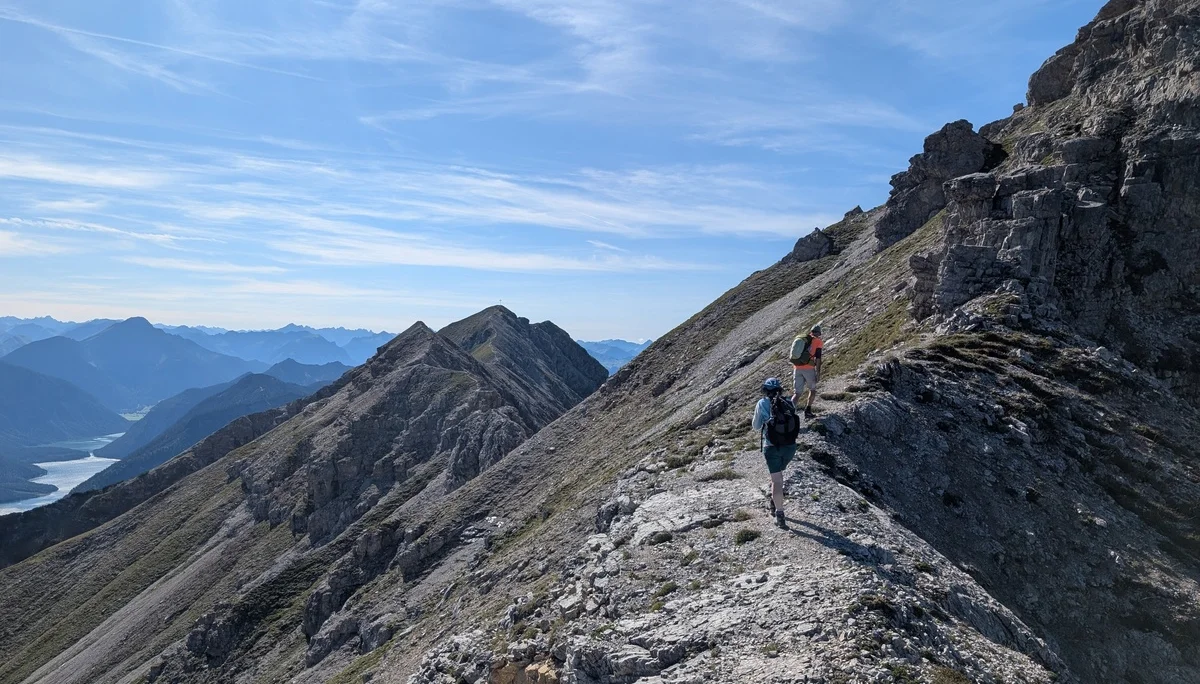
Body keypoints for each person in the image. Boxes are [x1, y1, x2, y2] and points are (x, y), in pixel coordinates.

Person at [752, 377, 800, 529]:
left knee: (776, 481)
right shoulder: (788, 402)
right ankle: (774, 501)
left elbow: (756, 426)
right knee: (779, 476)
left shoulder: (762, 403)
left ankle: (779, 514)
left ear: (765, 390)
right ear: (779, 389)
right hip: (790, 446)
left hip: (771, 447)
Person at [789, 324, 824, 419]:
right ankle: (808, 411)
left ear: (811, 332)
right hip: (809, 368)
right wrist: (818, 372)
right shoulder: (818, 341)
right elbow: (818, 358)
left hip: (797, 367)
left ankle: (789, 413)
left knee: (797, 393)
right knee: (812, 390)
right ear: (818, 333)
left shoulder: (803, 339)